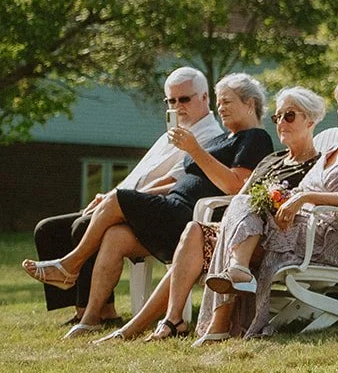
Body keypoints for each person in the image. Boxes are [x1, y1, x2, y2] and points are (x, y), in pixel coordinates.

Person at [25, 72, 272, 339]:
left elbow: (236, 186)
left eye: (227, 101)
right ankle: (91, 317)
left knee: (118, 197)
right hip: (170, 207)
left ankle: (70, 265)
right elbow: (182, 179)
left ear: (250, 103)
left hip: (189, 217)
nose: (221, 107)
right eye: (219, 102)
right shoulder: (223, 139)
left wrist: (194, 150)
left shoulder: (255, 138)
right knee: (115, 236)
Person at [100, 88, 326, 344]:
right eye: (278, 117)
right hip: (242, 233)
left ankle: (136, 328)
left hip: (274, 240)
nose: (281, 123)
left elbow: (305, 211)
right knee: (193, 230)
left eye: (290, 116)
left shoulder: (318, 165)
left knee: (198, 241)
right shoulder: (271, 160)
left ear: (310, 120)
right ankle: (171, 320)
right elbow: (240, 197)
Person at [216, 71, 338, 338]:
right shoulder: (333, 150)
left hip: (337, 241)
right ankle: (237, 277)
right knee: (246, 201)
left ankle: (235, 290)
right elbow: (302, 189)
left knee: (240, 224)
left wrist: (306, 199)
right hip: (303, 231)